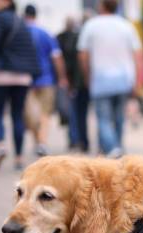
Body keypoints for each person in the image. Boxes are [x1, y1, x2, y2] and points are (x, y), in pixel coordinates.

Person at [0, 0, 40, 171]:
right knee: (17, 115)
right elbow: (30, 50)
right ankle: (19, 158)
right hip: (22, 76)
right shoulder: (21, 21)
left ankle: (1, 146)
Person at [78, 0, 143, 157]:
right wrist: (137, 79)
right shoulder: (126, 26)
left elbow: (82, 55)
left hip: (100, 79)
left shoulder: (91, 26)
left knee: (103, 119)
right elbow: (138, 54)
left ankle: (113, 148)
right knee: (119, 118)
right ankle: (117, 147)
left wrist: (87, 75)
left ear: (101, 6)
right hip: (123, 79)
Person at [23, 4, 68, 157]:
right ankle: (42, 142)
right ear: (36, 15)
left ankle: (39, 141)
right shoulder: (45, 33)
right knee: (45, 113)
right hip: (46, 79)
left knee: (30, 115)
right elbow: (56, 57)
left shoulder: (20, 32)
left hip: (25, 79)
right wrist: (62, 77)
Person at [57, 15, 90, 152]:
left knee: (75, 112)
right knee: (80, 112)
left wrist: (67, 79)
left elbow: (68, 62)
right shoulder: (82, 38)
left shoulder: (66, 37)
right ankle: (82, 140)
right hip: (84, 81)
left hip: (77, 82)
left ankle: (76, 140)